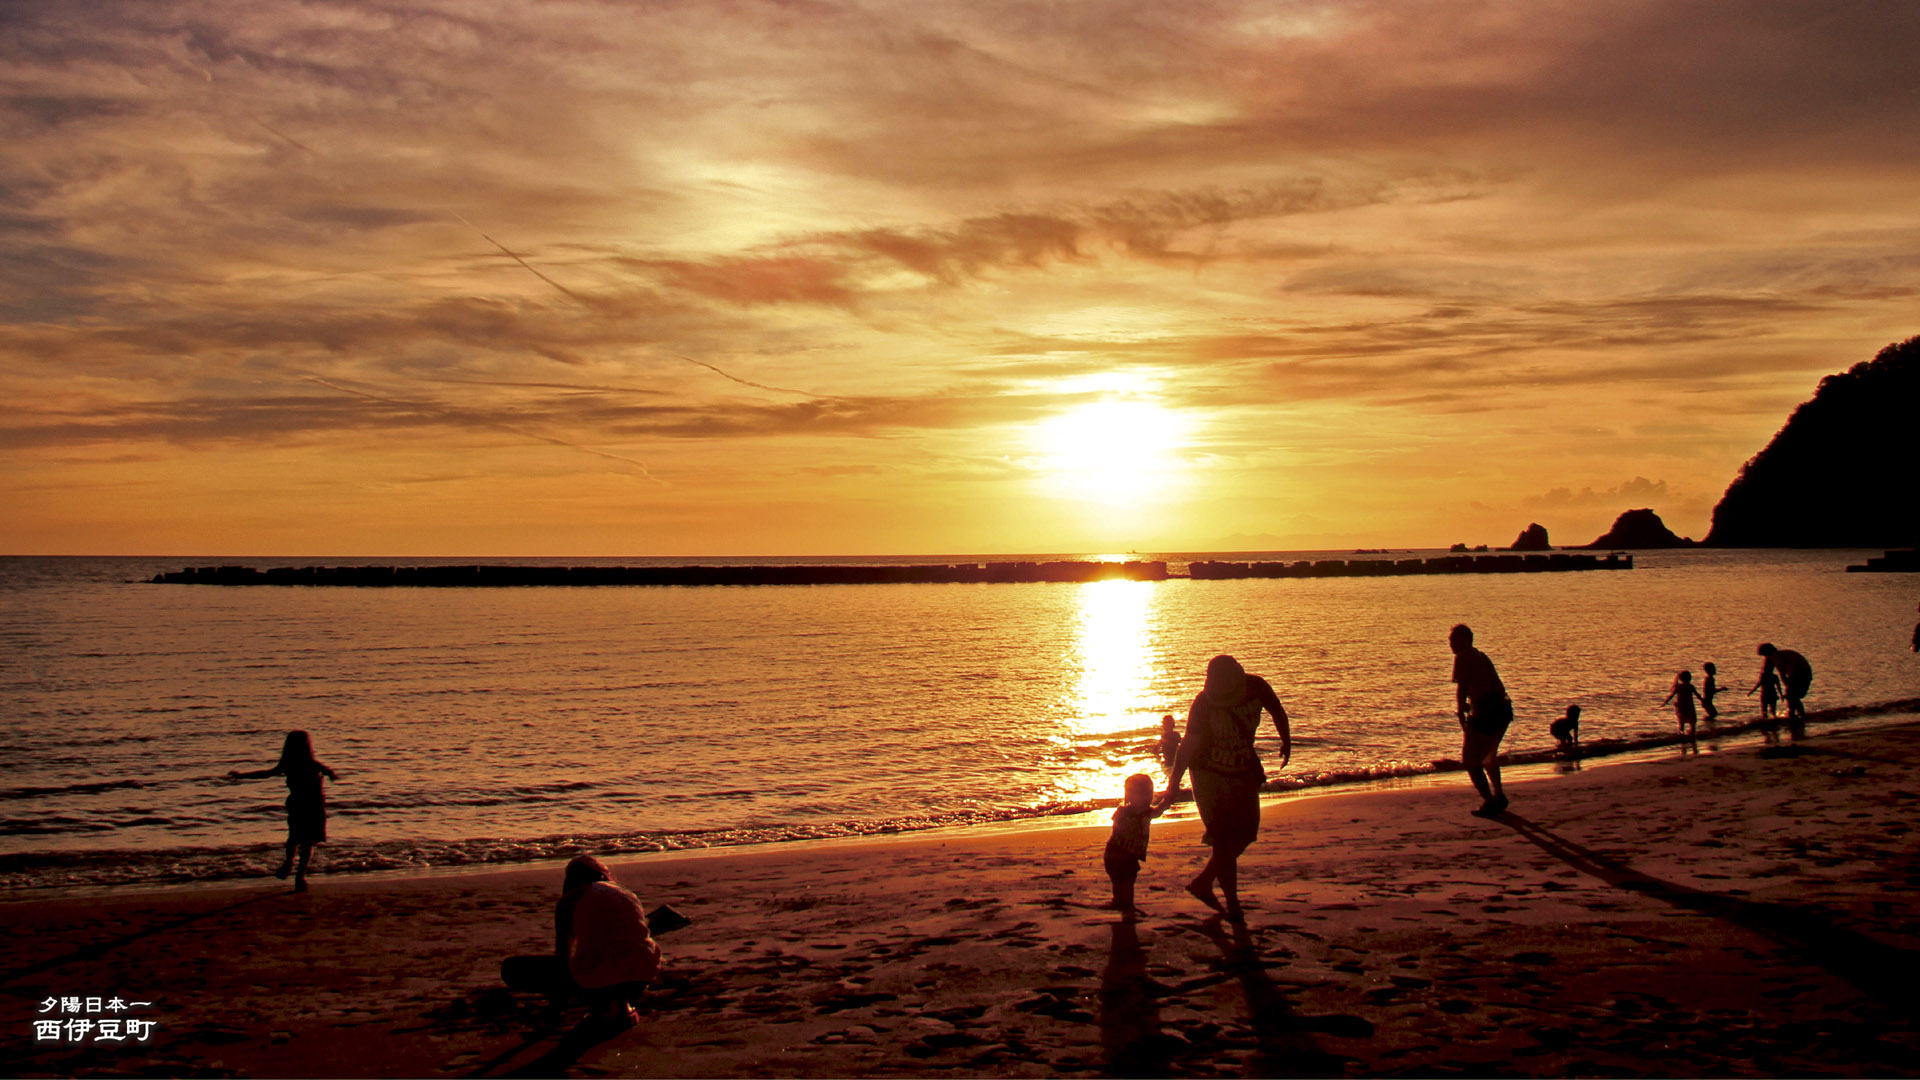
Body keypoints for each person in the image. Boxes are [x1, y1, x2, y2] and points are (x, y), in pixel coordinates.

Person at [1158, 654, 1291, 924]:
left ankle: (1204, 882)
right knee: (1223, 841)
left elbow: (1277, 710)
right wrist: (1172, 786)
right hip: (1208, 775)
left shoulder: (1256, 686)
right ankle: (1233, 906)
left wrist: (1286, 741)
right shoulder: (1204, 703)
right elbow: (1188, 748)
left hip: (1242, 767)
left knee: (1246, 833)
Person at [555, 856, 661, 1028]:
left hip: (600, 976)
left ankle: (603, 1006)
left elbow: (562, 953)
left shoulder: (569, 900)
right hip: (645, 971)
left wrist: (557, 1004)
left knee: (513, 969)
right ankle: (622, 1005)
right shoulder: (625, 893)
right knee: (619, 952)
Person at [229, 730, 340, 893]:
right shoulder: (313, 763)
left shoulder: (288, 763)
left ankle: (289, 862)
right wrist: (331, 776)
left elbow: (266, 774)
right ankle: (300, 876)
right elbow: (330, 773)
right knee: (307, 842)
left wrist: (241, 776)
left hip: (297, 803)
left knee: (293, 838)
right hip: (313, 805)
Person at [1449, 624, 1512, 818]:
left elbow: (1462, 689)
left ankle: (1489, 799)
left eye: (1453, 640)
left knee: (1470, 760)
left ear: (1464, 640)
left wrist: (1461, 712)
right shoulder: (1480, 655)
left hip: (1487, 711)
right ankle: (1498, 795)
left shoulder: (1463, 656)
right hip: (1502, 709)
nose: (1450, 644)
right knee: (1487, 756)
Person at [1105, 773, 1164, 920]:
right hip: (1117, 852)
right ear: (1129, 796)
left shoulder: (1147, 812)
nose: (1147, 798)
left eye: (1150, 794)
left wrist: (1168, 798)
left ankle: (1123, 902)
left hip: (1130, 854)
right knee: (1121, 879)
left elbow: (1158, 811)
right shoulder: (1123, 811)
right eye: (1143, 794)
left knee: (1129, 878)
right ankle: (1123, 902)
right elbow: (1117, 827)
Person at [1757, 643, 1813, 739]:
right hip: (1802, 673)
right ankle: (1798, 716)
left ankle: (1795, 716)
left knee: (1792, 696)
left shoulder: (1777, 657)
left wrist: (1788, 683)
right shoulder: (1778, 656)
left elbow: (1784, 671)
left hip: (1800, 673)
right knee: (1793, 697)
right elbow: (1781, 672)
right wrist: (1786, 684)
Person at [1663, 671, 1703, 737]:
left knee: (1681, 722)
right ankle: (1692, 735)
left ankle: (1681, 735)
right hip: (1689, 706)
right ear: (1690, 678)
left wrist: (1665, 703)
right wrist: (1702, 701)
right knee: (1692, 722)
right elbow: (1697, 695)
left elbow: (1671, 696)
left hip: (1680, 707)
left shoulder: (1678, 687)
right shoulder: (1690, 686)